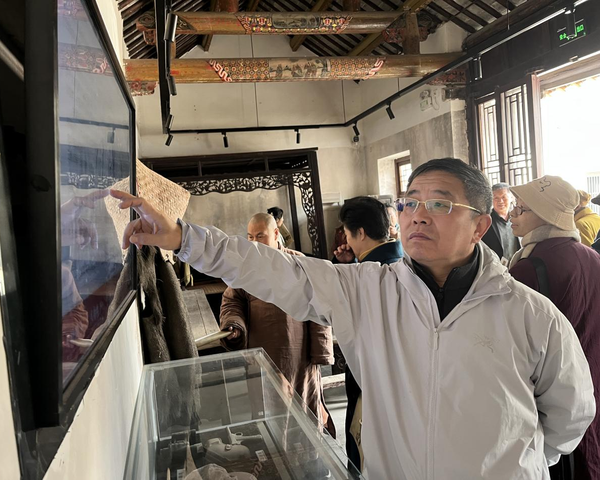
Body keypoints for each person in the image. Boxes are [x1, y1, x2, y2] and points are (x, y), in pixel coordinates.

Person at [111, 158, 595, 480]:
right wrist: (184, 239)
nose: (418, 215)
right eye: (410, 202)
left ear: (481, 225)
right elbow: (276, 269)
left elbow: (569, 416)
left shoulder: (531, 315)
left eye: (440, 204)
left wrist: (513, 463)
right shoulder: (368, 292)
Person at [507, 176, 600, 480]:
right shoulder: (591, 256)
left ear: (546, 214)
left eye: (522, 208)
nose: (512, 214)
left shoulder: (529, 267)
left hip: (552, 392)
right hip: (592, 377)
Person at [221, 213, 335, 432]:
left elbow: (321, 302)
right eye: (250, 237)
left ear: (275, 234)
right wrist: (234, 325)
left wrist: (320, 350)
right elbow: (232, 301)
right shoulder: (246, 268)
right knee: (269, 412)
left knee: (305, 408)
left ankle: (308, 452)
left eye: (260, 236)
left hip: (299, 352)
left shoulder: (298, 263)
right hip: (263, 352)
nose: (254, 242)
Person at [331, 196, 404, 471]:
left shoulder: (370, 274)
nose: (347, 242)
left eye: (348, 234)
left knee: (367, 452)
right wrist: (349, 264)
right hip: (400, 379)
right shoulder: (402, 262)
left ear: (360, 233)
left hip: (372, 377)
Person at [481, 182, 520, 264]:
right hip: (494, 266)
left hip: (517, 264)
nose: (500, 201)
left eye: (504, 197)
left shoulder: (518, 217)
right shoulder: (485, 220)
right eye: (496, 198)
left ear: (511, 198)